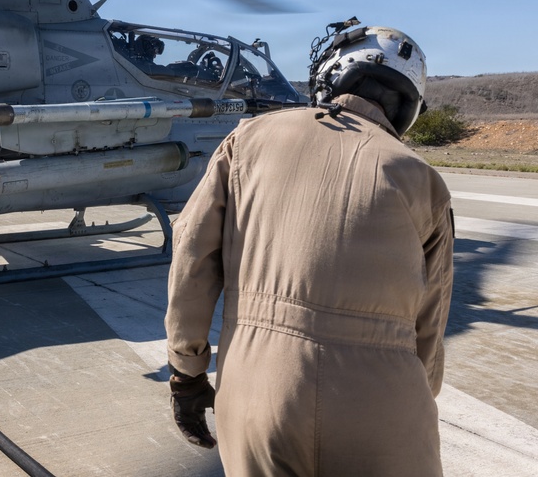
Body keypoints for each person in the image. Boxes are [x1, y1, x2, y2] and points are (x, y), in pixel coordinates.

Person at [164, 23, 454, 476]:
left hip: (260, 396)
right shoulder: (423, 180)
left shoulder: (247, 140)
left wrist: (186, 373)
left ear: (333, 75)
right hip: (383, 411)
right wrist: (414, 399)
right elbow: (430, 324)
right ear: (408, 106)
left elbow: (192, 259)